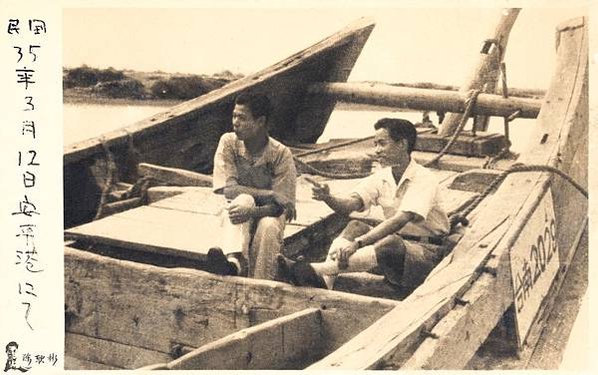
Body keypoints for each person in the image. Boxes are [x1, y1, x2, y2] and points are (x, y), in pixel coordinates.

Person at [279, 118, 449, 290]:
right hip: (394, 255)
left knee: (391, 242)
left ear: (402, 144)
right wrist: (328, 197)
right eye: (375, 144)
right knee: (355, 226)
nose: (377, 151)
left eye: (382, 144)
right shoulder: (382, 177)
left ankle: (311, 270)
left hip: (427, 254)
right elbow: (349, 205)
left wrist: (358, 244)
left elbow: (399, 220)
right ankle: (326, 282)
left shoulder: (424, 179)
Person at [208, 92, 296, 280]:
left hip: (268, 214)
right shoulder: (229, 142)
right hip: (236, 211)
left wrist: (253, 213)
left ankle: (260, 282)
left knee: (269, 226)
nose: (235, 122)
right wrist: (270, 193)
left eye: (242, 117)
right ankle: (234, 263)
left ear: (260, 121)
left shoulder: (281, 154)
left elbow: (278, 207)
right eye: (234, 116)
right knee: (243, 200)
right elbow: (229, 189)